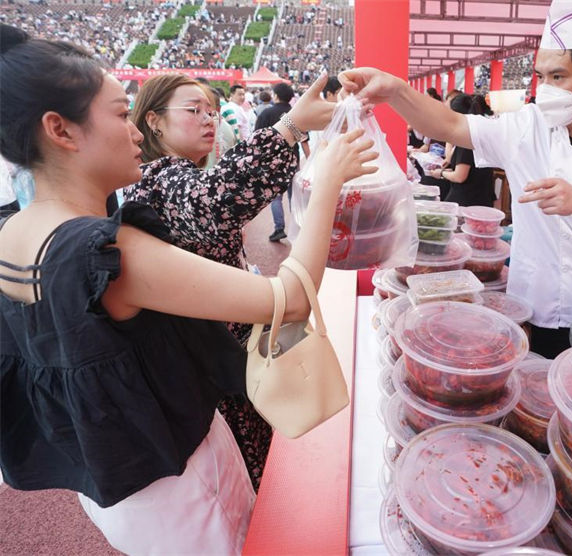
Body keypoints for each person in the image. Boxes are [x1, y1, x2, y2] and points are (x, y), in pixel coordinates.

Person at [0, 25, 377, 553]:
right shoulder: (106, 251)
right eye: (120, 114)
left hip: (115, 486)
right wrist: (328, 182)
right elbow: (290, 300)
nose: (135, 133)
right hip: (183, 486)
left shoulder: (14, 231)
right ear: (60, 130)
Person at [340, 0, 572, 359]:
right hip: (534, 310)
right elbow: (450, 125)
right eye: (541, 77)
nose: (545, 88)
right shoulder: (527, 126)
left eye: (558, 77)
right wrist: (396, 90)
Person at [125, 73, 333, 491]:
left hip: (222, 345)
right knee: (250, 467)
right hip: (213, 354)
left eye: (212, 112)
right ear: (154, 121)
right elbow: (217, 202)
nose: (209, 120)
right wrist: (290, 127)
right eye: (194, 110)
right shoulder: (159, 180)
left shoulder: (169, 176)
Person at [255, 82, 310, 243]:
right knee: (295, 196)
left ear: (276, 96)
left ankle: (279, 228)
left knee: (276, 197)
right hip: (292, 160)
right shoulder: (293, 115)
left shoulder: (267, 113)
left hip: (273, 162)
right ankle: (297, 227)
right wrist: (311, 161)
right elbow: (303, 140)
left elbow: (257, 139)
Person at [428, 94, 495, 208]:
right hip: (479, 199)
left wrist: (441, 173)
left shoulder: (466, 141)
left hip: (467, 202)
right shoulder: (477, 135)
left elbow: (459, 177)